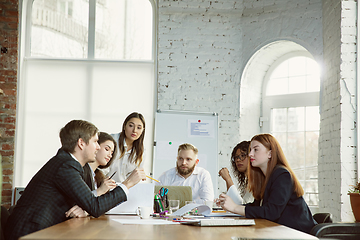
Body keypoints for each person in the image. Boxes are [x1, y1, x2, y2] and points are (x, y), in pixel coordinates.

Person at [5, 120, 146, 240]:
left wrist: (84, 207)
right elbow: (95, 206)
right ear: (81, 143)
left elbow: (88, 203)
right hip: (31, 231)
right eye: (96, 141)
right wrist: (128, 183)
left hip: (41, 229)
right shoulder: (66, 165)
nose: (98, 147)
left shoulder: (68, 163)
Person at [216, 133, 316, 234]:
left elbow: (271, 212)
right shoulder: (263, 177)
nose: (250, 154)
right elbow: (257, 206)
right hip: (280, 231)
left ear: (270, 154)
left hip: (298, 233)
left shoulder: (282, 174)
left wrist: (235, 207)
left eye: (255, 150)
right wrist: (230, 206)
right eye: (250, 150)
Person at [107, 112, 146, 182]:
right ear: (124, 126)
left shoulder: (141, 151)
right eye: (131, 126)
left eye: (139, 128)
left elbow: (136, 176)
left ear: (143, 130)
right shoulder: (112, 141)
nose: (134, 130)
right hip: (105, 186)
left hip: (125, 189)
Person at [83, 132, 118, 196]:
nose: (110, 155)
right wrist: (101, 190)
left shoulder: (98, 176)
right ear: (96, 146)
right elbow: (84, 200)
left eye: (112, 153)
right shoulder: (80, 171)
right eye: (107, 149)